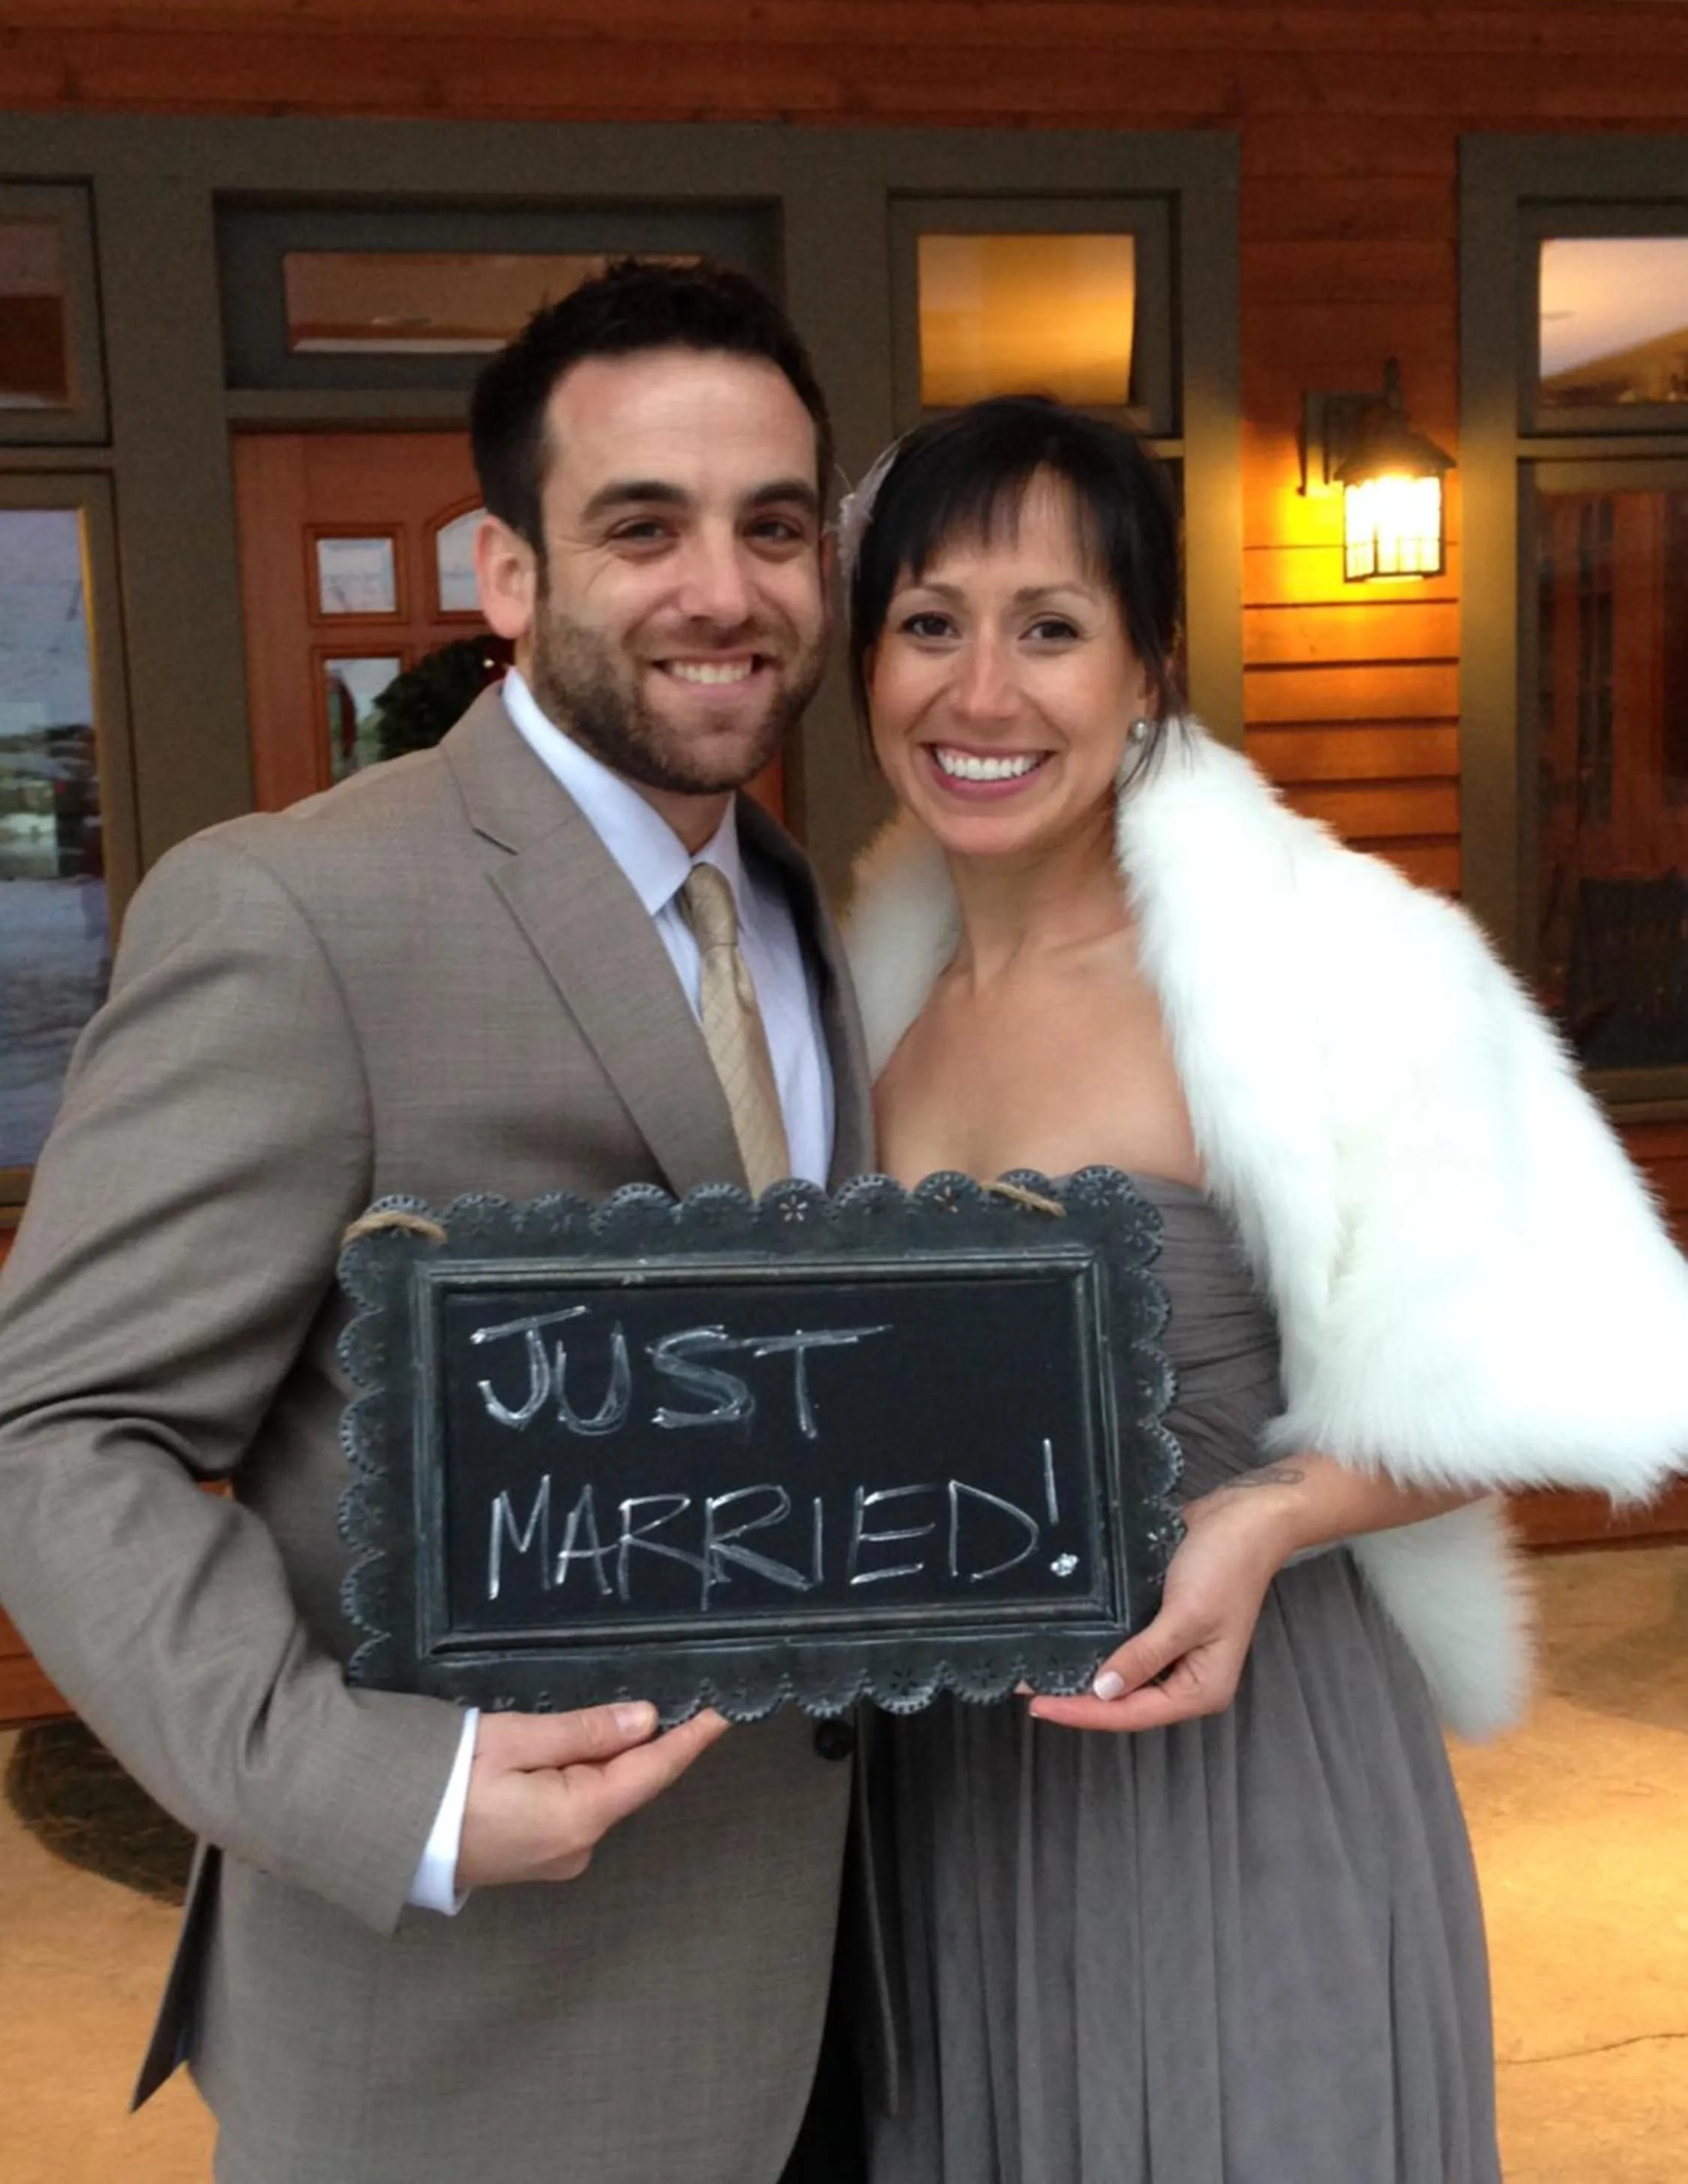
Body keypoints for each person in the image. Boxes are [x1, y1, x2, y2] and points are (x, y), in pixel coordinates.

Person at [0, 260, 875, 2184]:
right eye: (640, 527)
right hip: (471, 2054)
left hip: (832, 2008)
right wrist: (377, 1789)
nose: (723, 589)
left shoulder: (814, 913)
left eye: (773, 526)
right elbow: (60, 1434)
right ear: (507, 574)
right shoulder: (298, 915)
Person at [839, 395, 1688, 2183]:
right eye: (929, 623)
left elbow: (1568, 1356)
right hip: (953, 1798)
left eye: (1049, 628)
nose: (980, 694)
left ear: (1149, 667)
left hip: (1241, 1766)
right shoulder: (865, 1007)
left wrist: (1272, 1519)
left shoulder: (1321, 964)